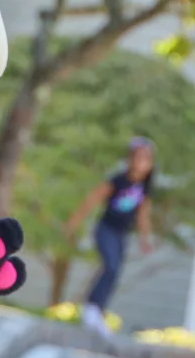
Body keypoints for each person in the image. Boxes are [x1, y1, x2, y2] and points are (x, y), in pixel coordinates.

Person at [66, 138, 157, 337]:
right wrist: (74, 222)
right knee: (111, 265)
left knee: (114, 272)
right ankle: (90, 308)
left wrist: (146, 238)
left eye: (147, 159)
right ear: (131, 160)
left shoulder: (145, 188)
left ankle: (97, 310)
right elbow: (93, 199)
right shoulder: (118, 181)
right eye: (139, 158)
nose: (142, 163)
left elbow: (143, 215)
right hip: (106, 229)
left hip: (121, 234)